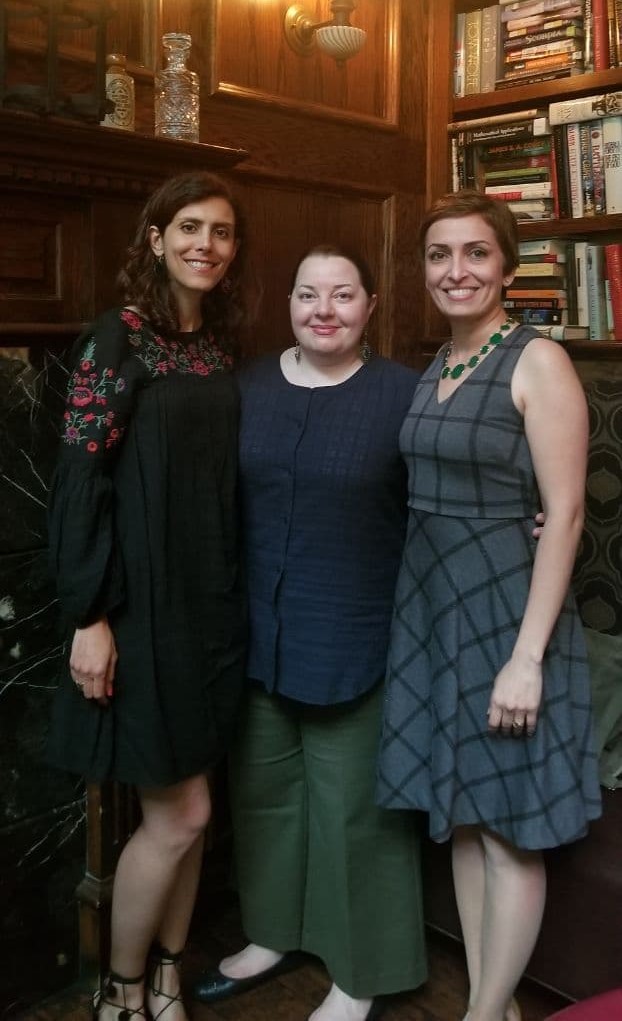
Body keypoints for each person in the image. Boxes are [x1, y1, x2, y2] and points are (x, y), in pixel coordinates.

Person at [377, 191, 602, 1021]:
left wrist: (527, 657)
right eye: (440, 255)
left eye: (476, 253)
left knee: (506, 829)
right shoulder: (442, 359)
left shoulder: (537, 360)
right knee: (466, 822)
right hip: (437, 619)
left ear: (507, 265)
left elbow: (567, 510)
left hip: (510, 620)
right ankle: (493, 1002)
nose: (456, 270)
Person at [193, 244, 428, 1021]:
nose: (323, 310)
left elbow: (447, 493)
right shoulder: (248, 383)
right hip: (256, 635)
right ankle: (272, 931)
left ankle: (361, 973)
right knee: (263, 797)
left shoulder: (403, 392)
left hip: (357, 635)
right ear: (288, 303)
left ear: (368, 305)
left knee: (356, 814)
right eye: (306, 294)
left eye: (341, 295)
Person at [46, 171, 253, 1021]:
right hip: (142, 606)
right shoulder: (117, 338)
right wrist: (88, 614)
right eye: (190, 228)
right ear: (157, 238)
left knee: (196, 812)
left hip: (213, 603)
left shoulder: (221, 345)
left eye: (223, 232)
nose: (207, 244)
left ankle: (168, 969)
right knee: (183, 809)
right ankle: (120, 988)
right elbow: (78, 481)